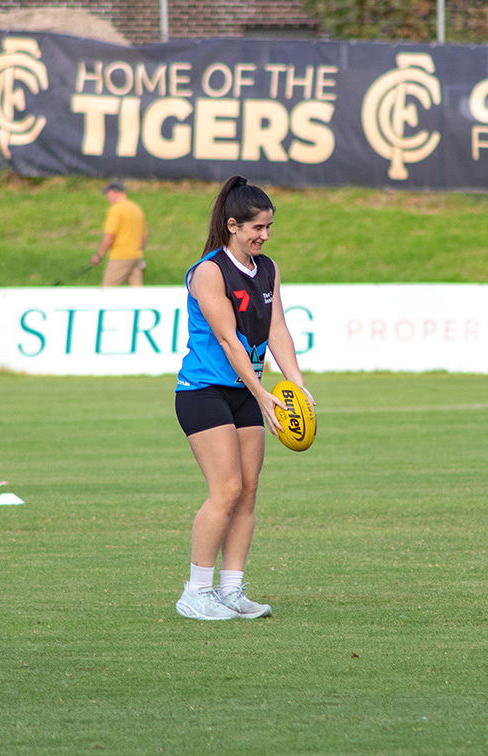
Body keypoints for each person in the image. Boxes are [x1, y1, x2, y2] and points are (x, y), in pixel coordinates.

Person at [173, 175, 313, 620]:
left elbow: (277, 330)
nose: (265, 236)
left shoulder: (268, 269)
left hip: (247, 393)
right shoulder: (208, 272)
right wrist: (264, 394)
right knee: (227, 489)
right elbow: (230, 342)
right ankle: (196, 592)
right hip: (204, 392)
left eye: (269, 228)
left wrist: (296, 385)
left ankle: (231, 591)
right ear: (233, 225)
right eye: (257, 228)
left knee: (248, 492)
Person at [89, 180, 147, 286]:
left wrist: (99, 255)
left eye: (108, 194)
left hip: (120, 258)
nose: (107, 197)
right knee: (138, 296)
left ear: (114, 192)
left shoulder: (116, 209)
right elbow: (144, 238)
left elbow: (110, 236)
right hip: (136, 258)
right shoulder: (136, 209)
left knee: (107, 292)